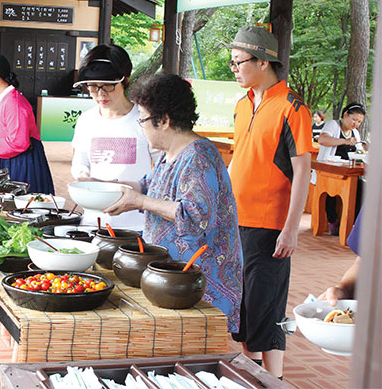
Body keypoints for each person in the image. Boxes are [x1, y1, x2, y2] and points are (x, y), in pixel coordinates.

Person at [103, 74, 243, 333]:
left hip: (197, 282)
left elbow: (195, 215)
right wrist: (106, 187)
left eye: (143, 120)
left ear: (164, 120)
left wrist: (140, 201)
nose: (142, 127)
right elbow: (146, 184)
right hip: (174, 279)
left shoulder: (198, 156)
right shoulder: (170, 154)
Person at [226, 26, 312, 379]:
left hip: (269, 226)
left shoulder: (293, 108)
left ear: (262, 62)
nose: (233, 68)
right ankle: (260, 376)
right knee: (245, 308)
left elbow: (303, 170)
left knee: (267, 306)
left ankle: (271, 379)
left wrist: (291, 230)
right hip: (237, 222)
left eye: (238, 62)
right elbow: (239, 159)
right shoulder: (241, 105)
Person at [71, 44, 157, 230]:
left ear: (125, 80)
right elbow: (80, 161)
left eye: (108, 86)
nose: (101, 94)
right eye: (93, 87)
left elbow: (162, 170)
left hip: (136, 225)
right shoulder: (86, 121)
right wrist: (83, 175)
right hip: (94, 221)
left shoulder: (144, 119)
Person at [0, 54, 55, 194]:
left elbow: (18, 143)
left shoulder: (14, 103)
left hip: (21, 163)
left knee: (22, 206)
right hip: (5, 160)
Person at [314, 103, 366, 235]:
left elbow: (358, 151)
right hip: (329, 172)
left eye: (359, 122)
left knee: (362, 188)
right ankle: (333, 221)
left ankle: (354, 224)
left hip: (348, 172)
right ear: (345, 115)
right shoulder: (333, 125)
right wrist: (345, 141)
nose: (356, 124)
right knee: (331, 192)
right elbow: (323, 139)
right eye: (354, 120)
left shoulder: (355, 133)